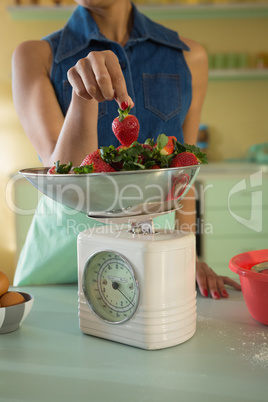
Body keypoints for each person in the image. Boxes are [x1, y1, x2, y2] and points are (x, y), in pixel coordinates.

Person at [12, 0, 241, 297]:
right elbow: (65, 181)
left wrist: (187, 254)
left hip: (152, 251)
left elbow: (183, 177)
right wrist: (83, 98)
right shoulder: (35, 55)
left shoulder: (189, 56)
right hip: (63, 260)